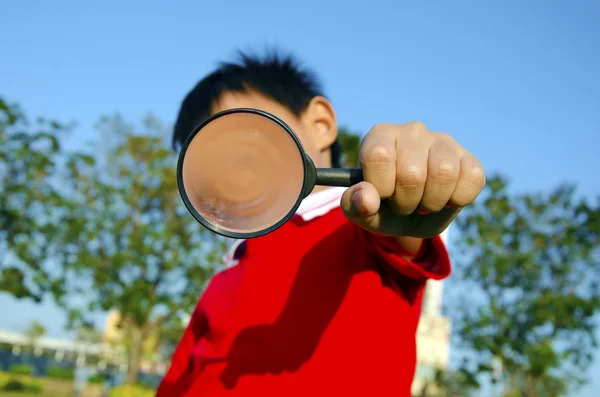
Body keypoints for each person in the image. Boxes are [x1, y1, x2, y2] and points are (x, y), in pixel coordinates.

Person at [157, 51, 486, 397]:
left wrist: (411, 168)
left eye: (243, 137)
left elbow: (403, 229)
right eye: (208, 168)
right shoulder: (229, 269)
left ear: (320, 124)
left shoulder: (367, 225)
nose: (229, 172)